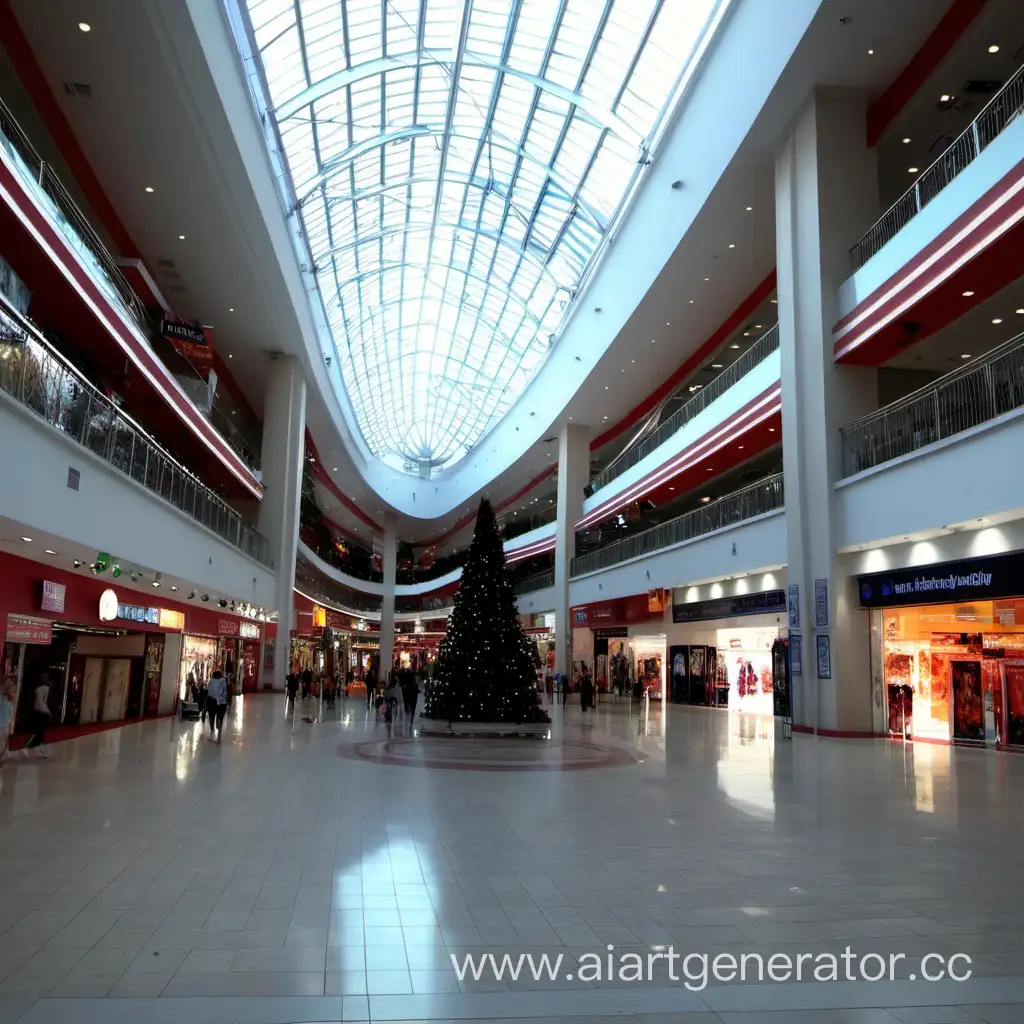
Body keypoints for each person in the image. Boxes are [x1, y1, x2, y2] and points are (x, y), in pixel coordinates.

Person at [26, 673, 51, 757]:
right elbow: (45, 701)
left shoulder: (37, 689)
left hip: (37, 710)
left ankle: (34, 745)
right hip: (44, 711)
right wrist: (48, 711)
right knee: (41, 731)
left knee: (38, 730)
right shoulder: (47, 689)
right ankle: (40, 749)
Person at [206, 670, 229, 742]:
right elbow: (226, 693)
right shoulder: (224, 682)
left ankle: (212, 732)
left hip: (212, 702)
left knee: (212, 717)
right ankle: (219, 735)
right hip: (222, 703)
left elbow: (208, 691)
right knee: (220, 718)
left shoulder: (211, 682)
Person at [0, 678, 14, 769]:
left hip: (3, 724)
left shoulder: (7, 699)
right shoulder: (9, 700)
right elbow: (10, 714)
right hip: (3, 725)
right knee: (2, 743)